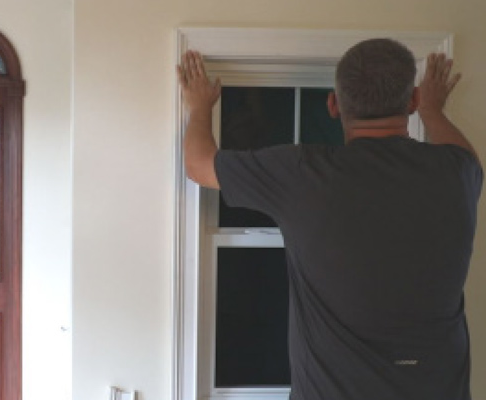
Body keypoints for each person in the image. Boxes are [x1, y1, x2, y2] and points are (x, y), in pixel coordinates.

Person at [177, 39, 482, 400]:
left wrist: (200, 107)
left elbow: (199, 165)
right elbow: (466, 156)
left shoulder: (303, 173)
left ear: (333, 105)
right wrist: (434, 110)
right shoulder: (456, 174)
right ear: (412, 101)